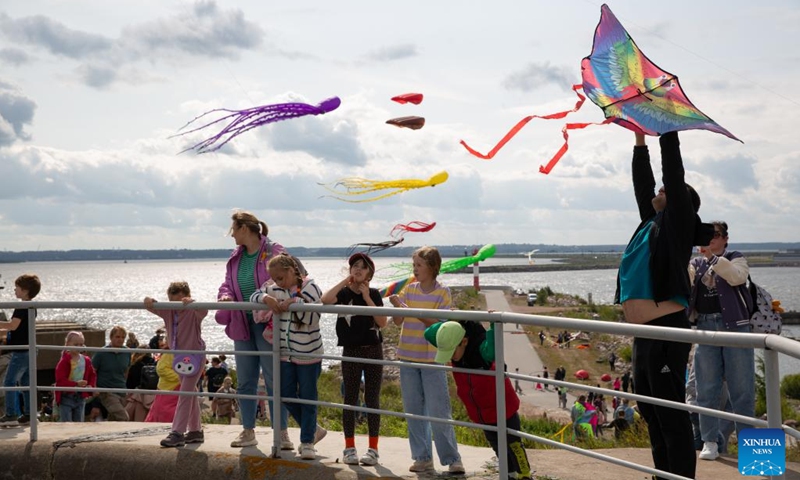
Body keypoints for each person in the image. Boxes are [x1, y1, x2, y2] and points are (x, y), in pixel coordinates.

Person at [615, 131, 714, 480]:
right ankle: (663, 475)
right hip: (644, 333)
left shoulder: (677, 225)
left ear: (681, 204)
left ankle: (682, 477)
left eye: (665, 190)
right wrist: (639, 140)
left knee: (670, 414)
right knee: (650, 410)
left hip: (668, 328)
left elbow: (673, 172)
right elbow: (644, 184)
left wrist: (666, 128)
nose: (659, 190)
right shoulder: (650, 223)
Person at [215, 211, 291, 448]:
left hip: (268, 323)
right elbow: (227, 283)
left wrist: (267, 296)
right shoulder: (236, 257)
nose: (232, 236)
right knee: (246, 380)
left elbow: (286, 277)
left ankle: (282, 433)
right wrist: (226, 296)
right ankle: (248, 431)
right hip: (242, 323)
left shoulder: (274, 250)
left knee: (273, 379)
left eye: (234, 230)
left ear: (245, 229)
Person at [389, 246, 464, 474]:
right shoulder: (409, 290)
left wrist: (410, 309)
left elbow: (439, 324)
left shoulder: (443, 293)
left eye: (418, 265)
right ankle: (422, 457)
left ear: (432, 267)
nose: (415, 269)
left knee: (439, 411)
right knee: (413, 410)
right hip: (407, 357)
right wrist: (398, 308)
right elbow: (398, 322)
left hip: (432, 359)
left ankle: (452, 459)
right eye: (414, 265)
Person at [425, 321, 533, 480]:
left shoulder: (483, 351)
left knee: (514, 445)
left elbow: (494, 345)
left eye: (451, 351)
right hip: (482, 413)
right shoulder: (453, 342)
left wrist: (494, 323)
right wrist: (455, 319)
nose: (450, 357)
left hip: (503, 408)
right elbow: (428, 333)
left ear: (464, 341)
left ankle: (525, 476)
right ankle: (508, 475)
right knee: (497, 446)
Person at [688, 221, 753, 461]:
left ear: (725, 238)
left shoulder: (736, 257)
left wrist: (713, 258)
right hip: (705, 327)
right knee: (706, 389)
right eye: (706, 236)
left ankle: (751, 451)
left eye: (715, 235)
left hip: (736, 328)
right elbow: (685, 281)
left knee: (742, 390)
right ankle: (710, 441)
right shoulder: (695, 263)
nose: (710, 239)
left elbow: (736, 277)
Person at [251, 253, 325, 460]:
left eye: (280, 278)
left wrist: (293, 304)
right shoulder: (275, 289)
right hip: (285, 354)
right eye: (274, 278)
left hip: (308, 353)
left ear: (292, 271)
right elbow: (254, 295)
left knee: (309, 397)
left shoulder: (310, 287)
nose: (277, 282)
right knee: (285, 394)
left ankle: (307, 441)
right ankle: (313, 429)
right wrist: (266, 298)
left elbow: (312, 317)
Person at [320, 252, 387, 466]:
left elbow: (382, 322)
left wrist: (367, 298)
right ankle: (349, 447)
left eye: (363, 267)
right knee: (349, 399)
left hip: (374, 350)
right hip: (351, 351)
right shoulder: (344, 293)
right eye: (354, 266)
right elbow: (325, 299)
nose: (358, 269)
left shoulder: (375, 294)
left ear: (370, 273)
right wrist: (344, 282)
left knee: (372, 400)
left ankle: (373, 449)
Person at [144, 281, 208, 448]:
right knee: (190, 392)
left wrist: (192, 303)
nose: (178, 304)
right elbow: (151, 306)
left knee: (185, 393)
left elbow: (204, 310)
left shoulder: (194, 311)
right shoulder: (168, 312)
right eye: (175, 300)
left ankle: (177, 432)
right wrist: (148, 300)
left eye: (182, 299)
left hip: (195, 356)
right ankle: (195, 430)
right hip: (178, 357)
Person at [0, 274, 40, 426]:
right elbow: (18, 329)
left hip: (21, 351)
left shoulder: (21, 307)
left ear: (24, 290)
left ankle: (11, 414)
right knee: (26, 382)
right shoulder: (31, 306)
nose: (14, 290)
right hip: (29, 348)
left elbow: (12, 326)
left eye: (16, 287)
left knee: (9, 381)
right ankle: (29, 413)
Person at [54, 331, 96, 422]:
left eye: (81, 344)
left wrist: (91, 385)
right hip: (66, 396)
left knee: (79, 422)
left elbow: (92, 374)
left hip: (80, 396)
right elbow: (60, 380)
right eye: (76, 344)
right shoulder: (64, 361)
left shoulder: (86, 360)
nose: (79, 347)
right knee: (66, 423)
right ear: (68, 344)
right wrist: (76, 384)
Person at [91, 325, 131, 421]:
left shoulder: (127, 352)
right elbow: (92, 371)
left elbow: (126, 371)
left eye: (122, 337)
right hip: (107, 392)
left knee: (113, 419)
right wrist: (95, 388)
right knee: (123, 417)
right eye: (117, 337)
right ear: (111, 337)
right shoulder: (101, 353)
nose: (120, 339)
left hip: (121, 390)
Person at [145, 337, 180, 423]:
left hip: (178, 388)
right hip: (168, 388)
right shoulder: (169, 353)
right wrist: (180, 377)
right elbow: (161, 369)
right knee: (164, 412)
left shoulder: (182, 352)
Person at [125, 335, 159, 421]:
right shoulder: (156, 366)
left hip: (138, 398)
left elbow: (129, 385)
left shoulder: (134, 367)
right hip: (155, 397)